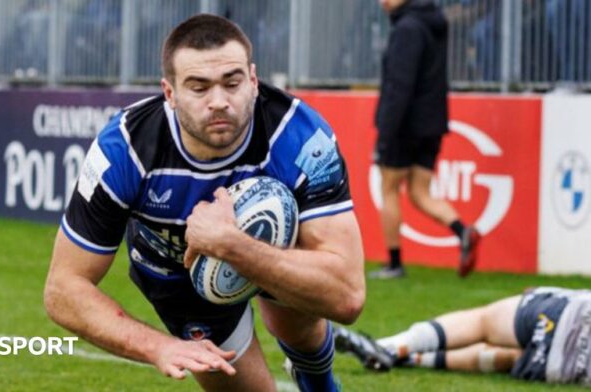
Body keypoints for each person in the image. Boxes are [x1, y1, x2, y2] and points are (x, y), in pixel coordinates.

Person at [44, 14, 365, 392]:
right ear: (170, 93)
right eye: (199, 87)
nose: (219, 102)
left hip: (275, 246)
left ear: (253, 80)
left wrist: (229, 244)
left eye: (232, 83)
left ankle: (319, 383)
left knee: (295, 324)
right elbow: (63, 289)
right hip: (176, 274)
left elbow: (347, 297)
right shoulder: (125, 150)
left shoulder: (301, 138)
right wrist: (160, 347)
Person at [372, 0, 480, 279]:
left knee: (389, 188)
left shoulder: (407, 28)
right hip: (432, 123)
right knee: (421, 192)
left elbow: (400, 86)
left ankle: (394, 263)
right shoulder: (433, 22)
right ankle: (462, 231)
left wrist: (386, 131)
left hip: (405, 124)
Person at [335, 286, 591, 385]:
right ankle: (409, 359)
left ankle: (389, 347)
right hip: (564, 369)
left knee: (482, 322)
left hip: (569, 316)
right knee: (507, 359)